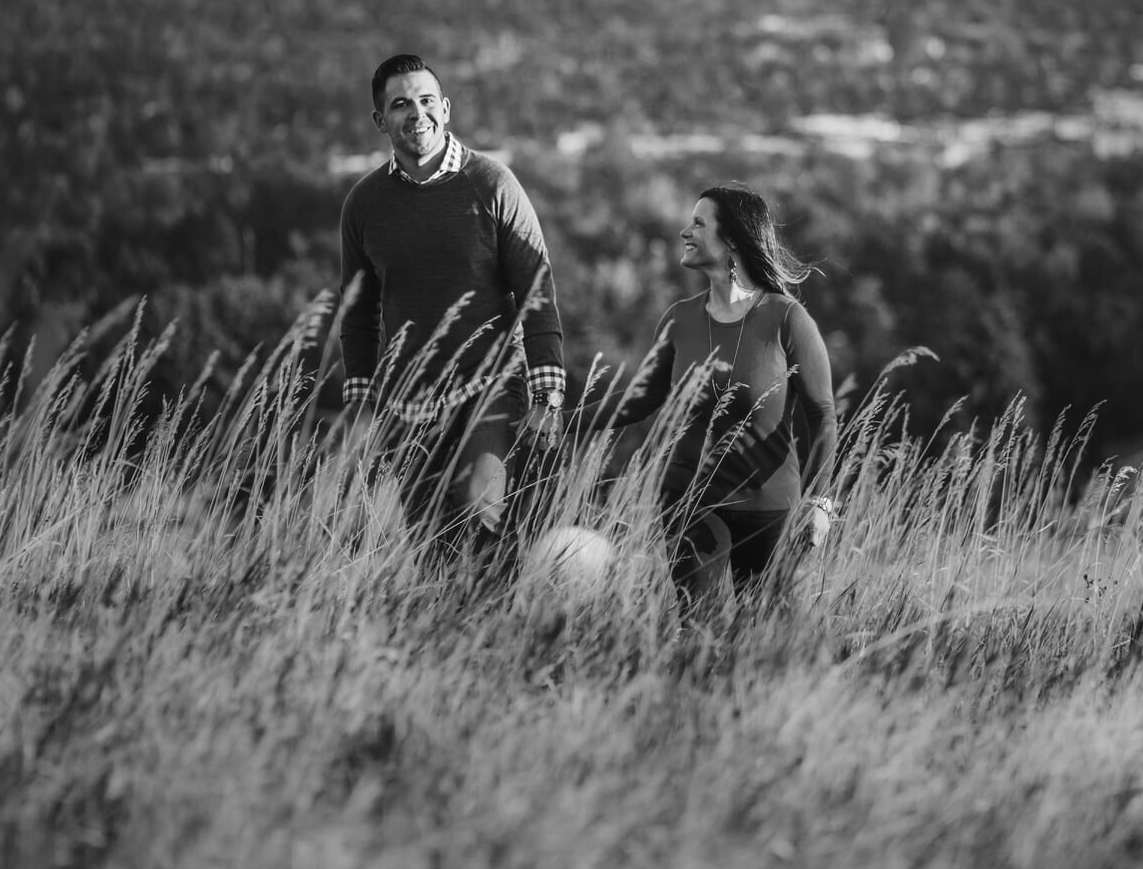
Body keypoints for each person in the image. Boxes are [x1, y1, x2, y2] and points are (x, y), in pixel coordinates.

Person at [337, 53, 565, 554]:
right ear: (381, 121)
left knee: (482, 511)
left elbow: (536, 288)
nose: (416, 114)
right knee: (429, 544)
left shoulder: (493, 183)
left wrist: (547, 394)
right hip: (408, 401)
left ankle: (493, 626)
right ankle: (452, 628)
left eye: (425, 100)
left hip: (490, 384)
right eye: (400, 104)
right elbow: (357, 316)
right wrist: (361, 405)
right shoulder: (364, 204)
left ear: (445, 107)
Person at [581, 183, 838, 605]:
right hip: (691, 501)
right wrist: (566, 419)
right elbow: (641, 398)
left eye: (699, 223)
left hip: (769, 508)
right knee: (701, 628)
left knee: (769, 642)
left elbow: (822, 414)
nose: (686, 231)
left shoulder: (785, 318)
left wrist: (820, 500)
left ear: (733, 240)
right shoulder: (681, 320)